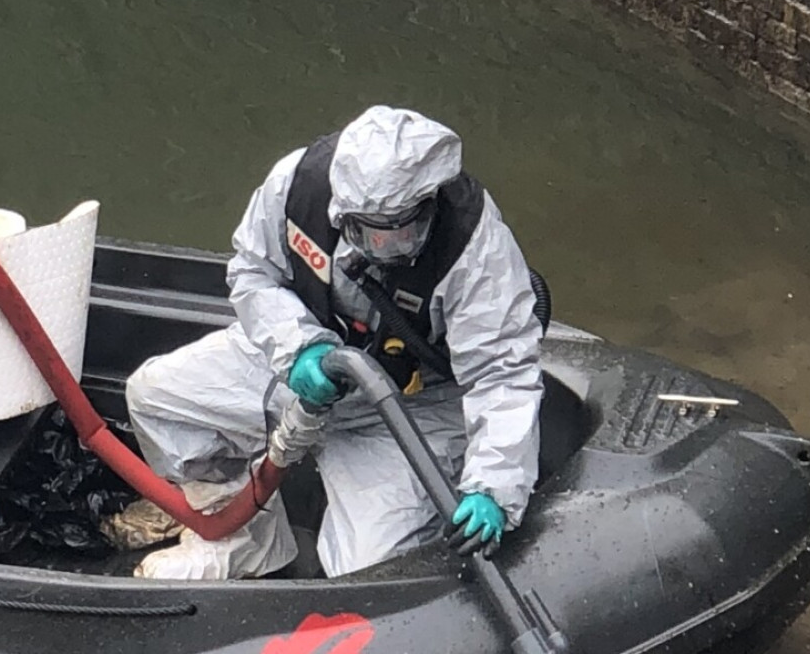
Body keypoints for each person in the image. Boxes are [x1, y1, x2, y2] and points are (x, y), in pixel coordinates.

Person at [125, 105, 544, 578]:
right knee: (157, 397)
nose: (381, 249)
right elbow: (251, 272)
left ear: (429, 204)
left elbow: (503, 372)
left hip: (407, 411)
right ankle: (244, 541)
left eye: (400, 234)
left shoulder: (476, 247)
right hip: (298, 366)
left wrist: (493, 487)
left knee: (364, 572)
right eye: (364, 232)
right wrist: (299, 347)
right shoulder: (298, 185)